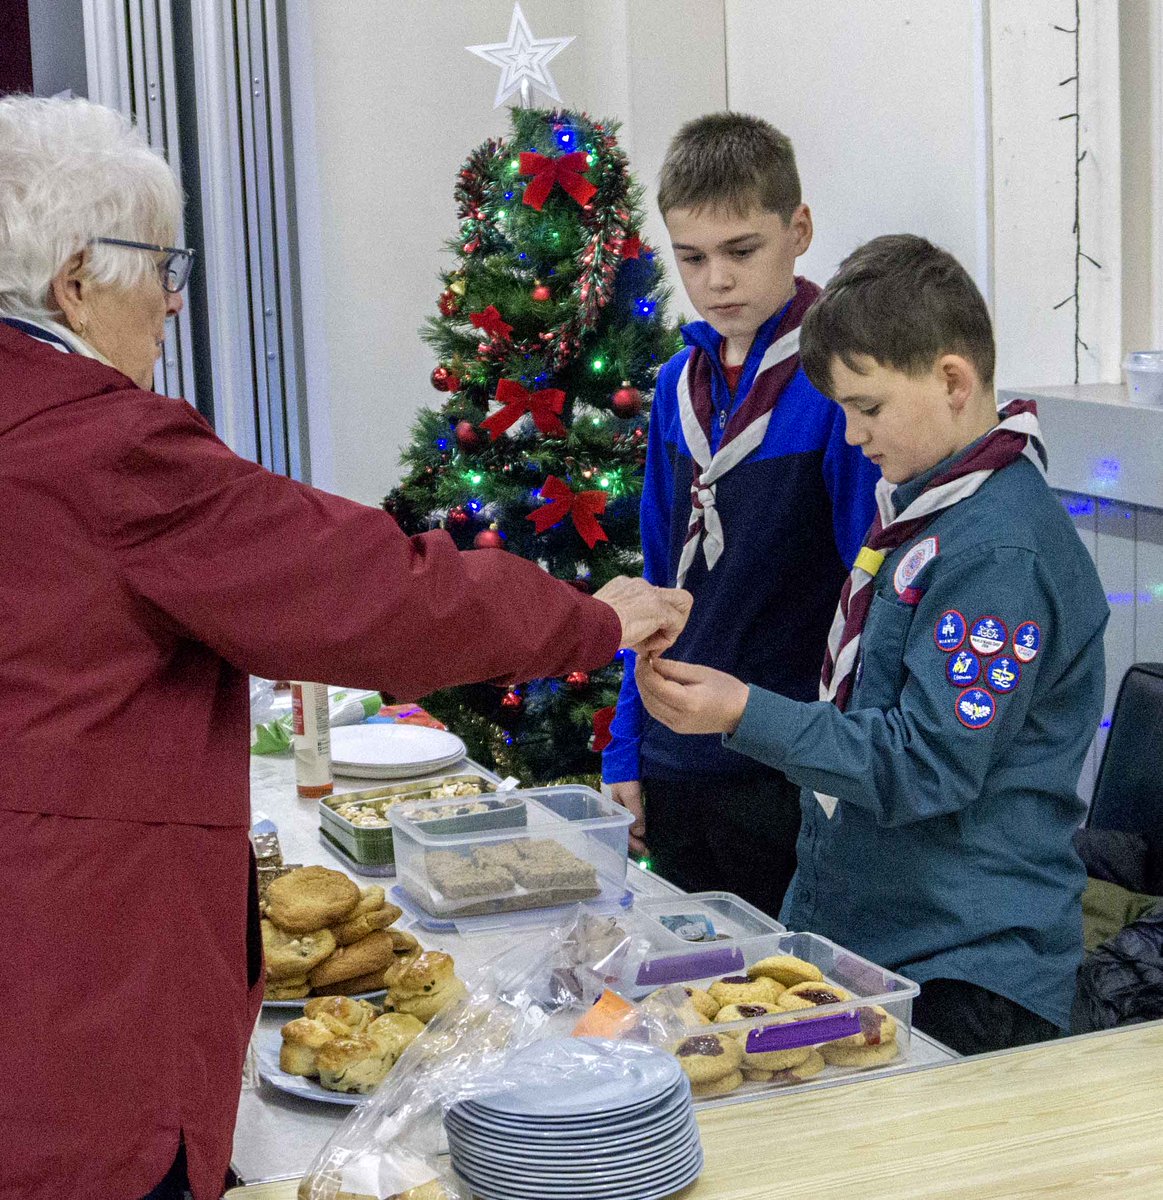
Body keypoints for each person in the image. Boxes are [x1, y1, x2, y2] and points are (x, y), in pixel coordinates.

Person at [0, 96, 691, 1200]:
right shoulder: (105, 451)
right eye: (160, 267)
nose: (175, 302)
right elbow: (377, 596)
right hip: (74, 1008)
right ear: (76, 280)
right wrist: (589, 620)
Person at [635, 233, 1109, 1055]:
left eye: (867, 408)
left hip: (965, 966)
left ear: (952, 380)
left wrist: (742, 712)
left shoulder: (1000, 552)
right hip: (872, 933)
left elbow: (924, 763)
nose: (852, 436)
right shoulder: (928, 511)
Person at [602, 113, 879, 917]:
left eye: (740, 251)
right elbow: (653, 585)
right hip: (673, 751)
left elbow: (867, 590)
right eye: (690, 257)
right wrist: (626, 748)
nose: (715, 279)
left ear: (798, 230)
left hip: (783, 762)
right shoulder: (674, 388)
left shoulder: (837, 384)